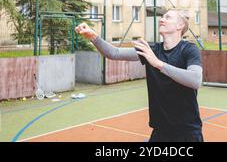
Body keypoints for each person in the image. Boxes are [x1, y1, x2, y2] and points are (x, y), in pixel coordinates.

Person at [75, 9, 203, 142]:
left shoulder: (188, 49)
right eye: (162, 17)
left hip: (187, 132)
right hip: (160, 131)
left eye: (168, 17)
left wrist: (158, 64)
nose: (161, 19)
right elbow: (114, 53)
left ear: (180, 26)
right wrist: (93, 37)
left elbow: (195, 80)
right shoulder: (151, 50)